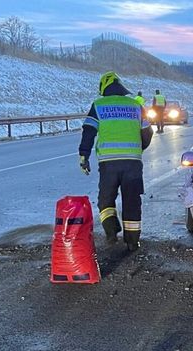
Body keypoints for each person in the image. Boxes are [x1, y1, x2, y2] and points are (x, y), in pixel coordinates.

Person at [79, 71, 154, 251]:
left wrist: (84, 155)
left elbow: (89, 131)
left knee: (106, 199)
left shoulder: (98, 105)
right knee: (132, 200)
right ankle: (132, 241)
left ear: (103, 88)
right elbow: (148, 132)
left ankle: (112, 234)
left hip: (109, 163)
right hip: (133, 163)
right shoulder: (135, 105)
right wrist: (138, 148)